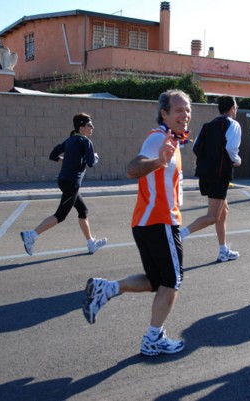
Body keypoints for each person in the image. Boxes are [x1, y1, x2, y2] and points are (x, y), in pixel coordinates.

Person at [82, 89, 191, 356]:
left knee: (156, 281)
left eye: (188, 110)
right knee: (173, 281)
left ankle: (106, 288)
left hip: (148, 221)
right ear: (164, 113)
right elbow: (133, 168)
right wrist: (159, 161)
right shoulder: (159, 138)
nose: (185, 115)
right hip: (160, 220)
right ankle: (153, 338)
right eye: (179, 110)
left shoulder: (172, 141)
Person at [20, 113, 107, 256]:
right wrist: (96, 157)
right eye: (89, 125)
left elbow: (53, 155)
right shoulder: (86, 142)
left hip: (64, 180)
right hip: (71, 183)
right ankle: (31, 235)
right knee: (60, 215)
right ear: (81, 127)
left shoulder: (70, 140)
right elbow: (91, 163)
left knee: (83, 210)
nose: (93, 127)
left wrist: (65, 161)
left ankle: (91, 244)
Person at [179, 95, 242, 262]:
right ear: (231, 108)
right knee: (213, 216)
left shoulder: (207, 125)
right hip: (220, 175)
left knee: (224, 210)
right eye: (235, 107)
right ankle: (179, 235)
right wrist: (237, 160)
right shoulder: (233, 124)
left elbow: (195, 147)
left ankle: (223, 250)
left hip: (206, 174)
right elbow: (231, 148)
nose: (236, 110)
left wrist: (210, 159)